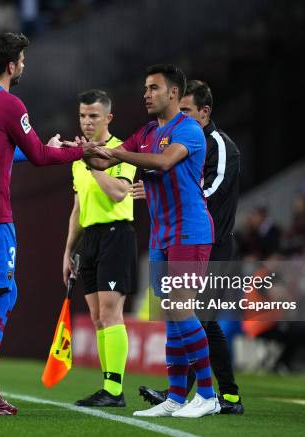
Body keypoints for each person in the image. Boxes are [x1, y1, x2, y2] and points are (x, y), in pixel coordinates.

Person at [0, 32, 102, 416]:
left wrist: (37, 146)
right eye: (22, 60)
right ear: (12, 64)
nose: (24, 66)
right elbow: (38, 155)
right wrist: (78, 150)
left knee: (0, 296)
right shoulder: (9, 103)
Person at [84, 64, 219, 418]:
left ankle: (207, 394)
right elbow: (105, 157)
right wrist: (81, 151)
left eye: (154, 88)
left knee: (179, 307)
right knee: (168, 314)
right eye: (145, 87)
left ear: (173, 93)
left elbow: (161, 163)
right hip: (161, 234)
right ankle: (175, 397)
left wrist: (114, 155)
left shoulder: (189, 130)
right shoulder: (145, 131)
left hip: (190, 231)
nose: (146, 94)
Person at [135, 80, 244, 414]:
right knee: (183, 313)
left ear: (204, 112)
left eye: (186, 110)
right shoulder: (177, 138)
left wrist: (177, 193)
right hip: (187, 238)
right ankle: (180, 395)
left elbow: (213, 188)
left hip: (215, 243)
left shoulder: (219, 144)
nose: (179, 115)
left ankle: (224, 395)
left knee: (200, 318)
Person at [61, 89, 137, 407]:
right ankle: (109, 388)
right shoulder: (78, 161)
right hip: (90, 239)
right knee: (95, 315)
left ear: (108, 118)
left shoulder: (122, 150)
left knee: (110, 312)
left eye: (93, 115)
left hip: (116, 234)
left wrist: (91, 163)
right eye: (82, 115)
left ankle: (115, 390)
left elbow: (119, 192)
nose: (87, 122)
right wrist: (68, 251)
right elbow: (78, 207)